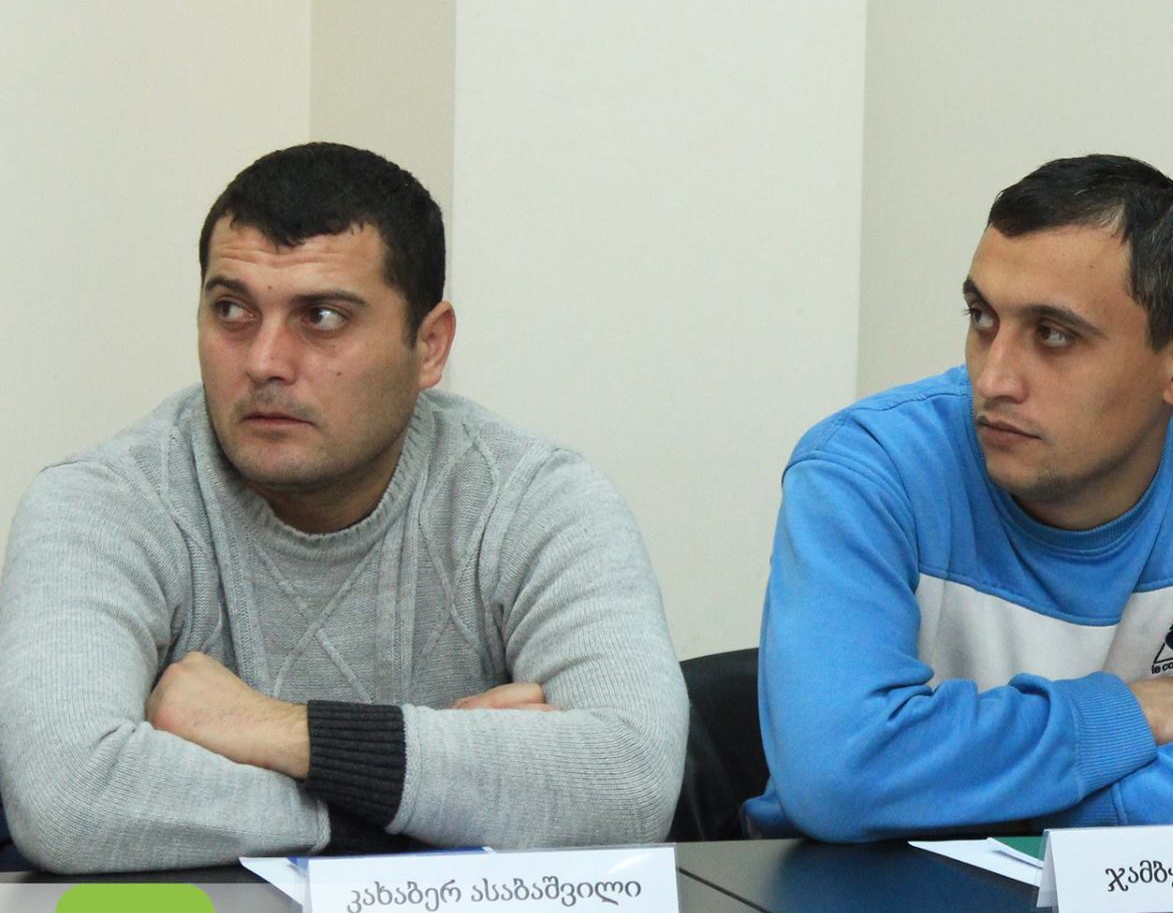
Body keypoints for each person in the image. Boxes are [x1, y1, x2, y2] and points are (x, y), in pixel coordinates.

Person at [0, 143, 688, 873]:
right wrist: (427, 796)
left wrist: (277, 729)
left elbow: (631, 779)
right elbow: (68, 797)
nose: (264, 361)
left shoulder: (535, 499)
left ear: (430, 346)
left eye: (322, 316)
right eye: (232, 310)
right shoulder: (103, 503)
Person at [747, 154, 1173, 845]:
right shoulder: (865, 471)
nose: (995, 378)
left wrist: (1027, 811)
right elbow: (842, 773)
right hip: (872, 909)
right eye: (982, 317)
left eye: (1053, 334)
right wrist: (1130, 716)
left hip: (1155, 908)